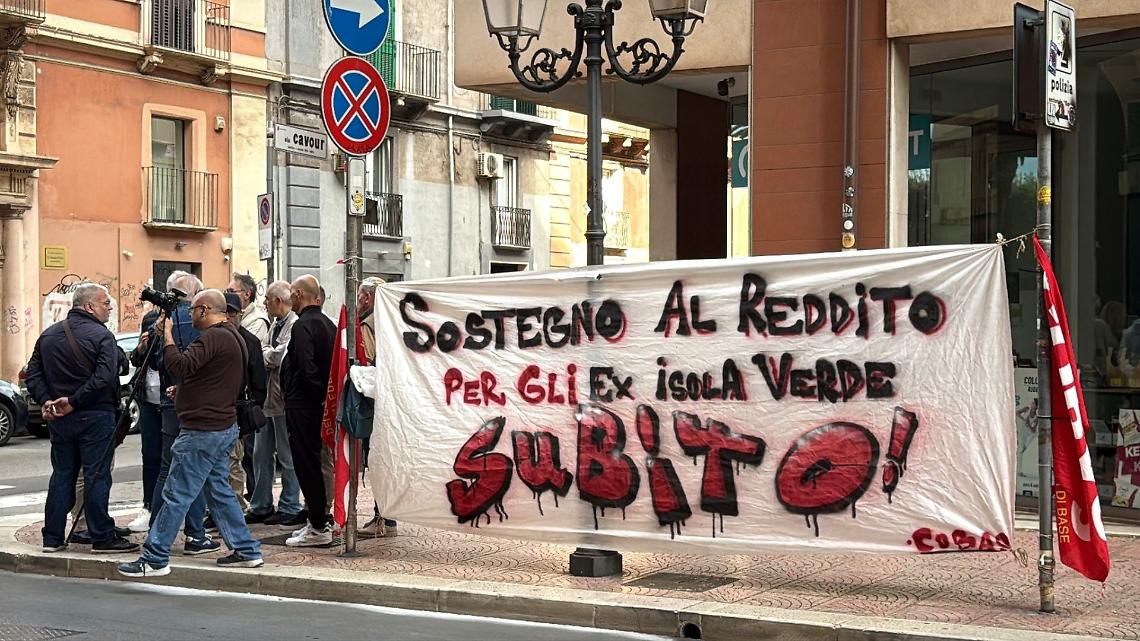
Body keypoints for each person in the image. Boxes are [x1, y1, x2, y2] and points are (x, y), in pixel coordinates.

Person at [118, 290, 264, 578]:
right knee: (219, 493)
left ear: (205, 309)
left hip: (202, 430)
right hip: (220, 426)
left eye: (193, 310)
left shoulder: (213, 337)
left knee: (176, 493)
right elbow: (213, 379)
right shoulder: (233, 335)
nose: (189, 315)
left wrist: (168, 335)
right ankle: (247, 550)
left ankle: (155, 557)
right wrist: (185, 391)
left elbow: (179, 366)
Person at [25, 283, 138, 554]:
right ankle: (102, 536)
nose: (110, 308)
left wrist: (48, 401)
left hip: (60, 418)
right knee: (96, 476)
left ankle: (52, 537)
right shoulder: (102, 336)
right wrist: (73, 402)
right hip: (94, 414)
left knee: (62, 475)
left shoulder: (48, 335)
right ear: (89, 306)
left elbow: (32, 375)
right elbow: (104, 378)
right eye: (105, 303)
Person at [149, 271, 211, 551]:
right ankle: (195, 535)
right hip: (194, 401)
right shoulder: (201, 322)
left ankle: (155, 531)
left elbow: (149, 361)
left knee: (166, 468)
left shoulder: (157, 320)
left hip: (167, 400)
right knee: (194, 470)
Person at [283, 275, 337, 547]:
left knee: (307, 465)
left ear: (299, 294)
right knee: (314, 463)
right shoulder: (328, 324)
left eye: (291, 293)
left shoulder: (303, 326)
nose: (288, 298)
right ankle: (318, 520)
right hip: (316, 404)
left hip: (304, 405)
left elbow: (307, 367)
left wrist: (312, 398)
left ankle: (317, 525)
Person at [248, 281, 304, 526]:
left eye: (267, 300)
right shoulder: (274, 324)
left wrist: (268, 353)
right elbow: (266, 352)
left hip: (282, 400)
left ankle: (290, 504)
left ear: (278, 301)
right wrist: (269, 353)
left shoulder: (293, 324)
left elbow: (280, 355)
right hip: (268, 400)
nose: (264, 304)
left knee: (287, 454)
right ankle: (261, 505)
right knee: (261, 453)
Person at [354, 277, 397, 539]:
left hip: (375, 403)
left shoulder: (369, 324)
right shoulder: (391, 322)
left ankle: (384, 518)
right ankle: (386, 517)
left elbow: (367, 363)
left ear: (367, 298)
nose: (357, 300)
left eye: (359, 295)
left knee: (377, 460)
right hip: (393, 403)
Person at [220, 292, 268, 514]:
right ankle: (221, 509)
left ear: (239, 314)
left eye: (232, 312)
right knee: (220, 465)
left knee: (233, 464)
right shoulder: (213, 337)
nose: (228, 317)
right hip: (217, 411)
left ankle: (235, 509)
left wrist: (250, 417)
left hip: (238, 412)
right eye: (225, 312)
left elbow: (259, 383)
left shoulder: (250, 341)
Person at [127, 307, 165, 533]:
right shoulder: (149, 325)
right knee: (150, 456)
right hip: (148, 401)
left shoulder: (174, 333)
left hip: (170, 402)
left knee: (173, 458)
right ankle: (149, 506)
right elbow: (136, 358)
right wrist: (142, 347)